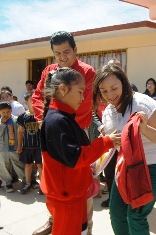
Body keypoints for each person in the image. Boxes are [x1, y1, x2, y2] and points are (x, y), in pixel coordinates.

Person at [40, 68, 121, 235]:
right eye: (79, 92)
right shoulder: (57, 121)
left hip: (74, 195)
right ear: (63, 89)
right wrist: (106, 142)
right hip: (66, 199)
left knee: (81, 230)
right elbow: (76, 157)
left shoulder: (63, 116)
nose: (83, 97)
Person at [32, 31, 97, 235]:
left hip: (77, 131)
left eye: (66, 52)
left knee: (82, 184)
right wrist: (44, 120)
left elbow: (83, 105)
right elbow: (37, 96)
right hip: (53, 130)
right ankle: (54, 218)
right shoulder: (49, 71)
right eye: (57, 53)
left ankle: (86, 226)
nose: (62, 57)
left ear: (76, 50)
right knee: (54, 183)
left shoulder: (86, 72)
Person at [93, 64, 156, 235]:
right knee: (116, 213)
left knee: (136, 216)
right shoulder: (108, 111)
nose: (110, 95)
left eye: (114, 88)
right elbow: (110, 140)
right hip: (126, 167)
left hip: (153, 164)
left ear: (124, 83)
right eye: (104, 91)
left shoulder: (143, 103)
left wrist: (144, 129)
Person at [99, 58, 138, 208]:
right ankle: (112, 197)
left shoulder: (131, 88)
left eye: (116, 67)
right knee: (110, 174)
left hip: (127, 145)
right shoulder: (104, 92)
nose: (110, 93)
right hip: (110, 143)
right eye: (111, 66)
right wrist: (101, 128)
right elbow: (96, 111)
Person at [16, 91, 42, 195]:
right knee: (28, 165)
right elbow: (20, 132)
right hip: (27, 146)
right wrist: (19, 146)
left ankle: (43, 185)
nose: (35, 102)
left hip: (39, 147)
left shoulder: (41, 116)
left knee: (40, 165)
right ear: (26, 102)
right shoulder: (23, 117)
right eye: (32, 100)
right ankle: (27, 183)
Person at [0, 101, 25, 193]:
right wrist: (2, 124)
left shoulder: (16, 120)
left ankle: (26, 180)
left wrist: (20, 145)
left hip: (14, 147)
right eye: (3, 112)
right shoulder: (0, 121)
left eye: (8, 112)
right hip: (2, 149)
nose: (6, 114)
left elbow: (21, 133)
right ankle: (7, 183)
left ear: (11, 110)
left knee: (18, 164)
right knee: (4, 166)